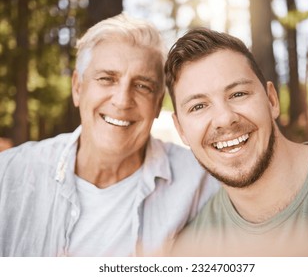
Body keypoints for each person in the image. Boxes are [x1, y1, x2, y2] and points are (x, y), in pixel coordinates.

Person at [0, 14, 219, 257]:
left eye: (142, 86)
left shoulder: (201, 180)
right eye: (107, 79)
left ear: (158, 105)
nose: (123, 100)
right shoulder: (10, 174)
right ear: (78, 88)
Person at [164, 27, 308, 256]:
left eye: (238, 94)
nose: (224, 119)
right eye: (198, 106)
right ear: (181, 130)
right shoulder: (192, 251)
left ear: (272, 100)